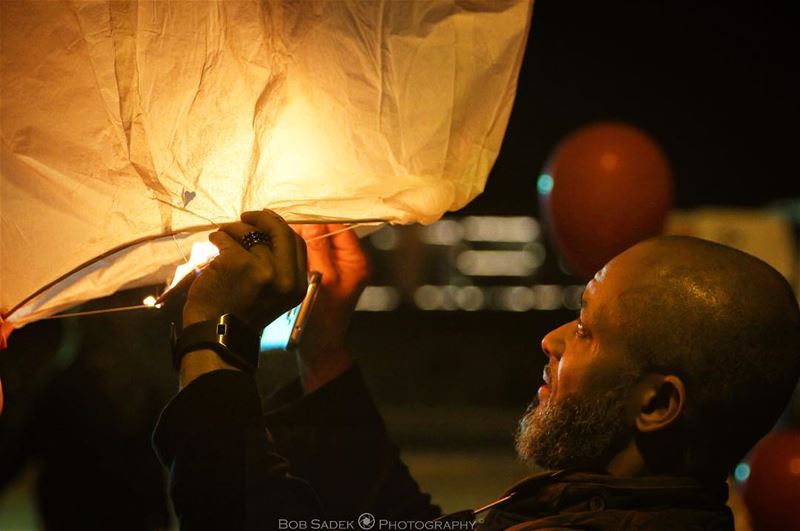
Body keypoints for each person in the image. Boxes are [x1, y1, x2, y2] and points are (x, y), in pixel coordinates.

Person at [152, 210, 800, 530]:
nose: (550, 338)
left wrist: (212, 339)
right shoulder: (599, 506)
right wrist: (323, 351)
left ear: (658, 403)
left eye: (585, 328)